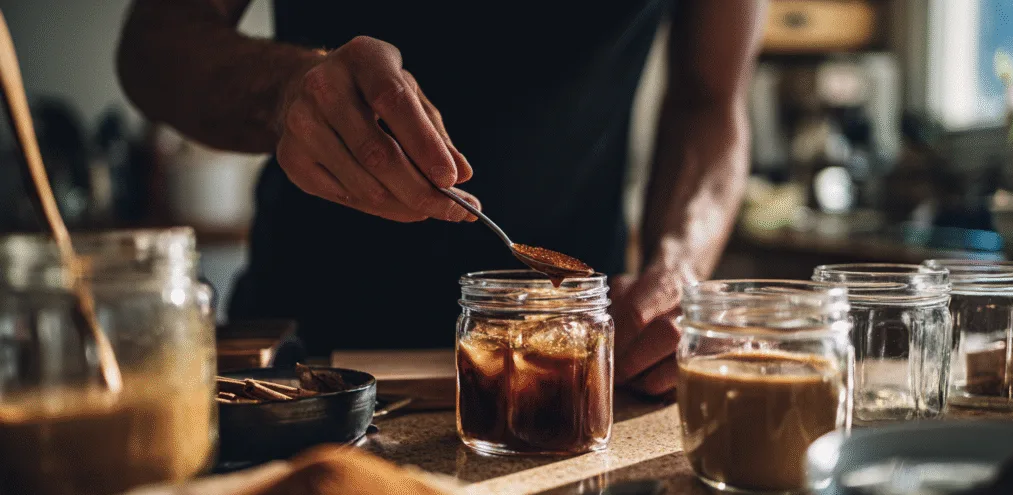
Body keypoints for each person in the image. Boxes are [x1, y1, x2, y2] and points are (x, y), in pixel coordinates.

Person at [117, 0, 764, 397]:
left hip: (582, 362)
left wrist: (677, 268)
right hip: (308, 365)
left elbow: (710, 98)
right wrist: (286, 91)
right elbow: (155, 38)